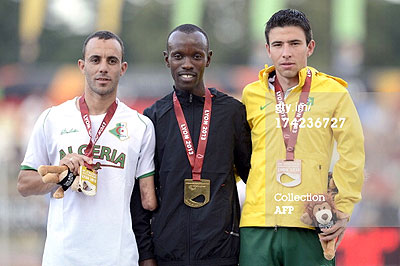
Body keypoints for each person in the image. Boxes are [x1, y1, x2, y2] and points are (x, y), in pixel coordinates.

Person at [17, 30, 157, 266]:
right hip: (63, 257)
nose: (103, 67)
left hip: (119, 258)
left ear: (122, 68)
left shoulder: (141, 126)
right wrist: (59, 173)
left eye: (111, 61)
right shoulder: (51, 118)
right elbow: (23, 184)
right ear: (82, 66)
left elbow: (148, 201)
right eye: (95, 59)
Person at [239, 9, 365, 266]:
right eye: (278, 44)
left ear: (310, 47)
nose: (286, 52)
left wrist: (341, 209)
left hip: (312, 226)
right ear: (268, 49)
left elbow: (352, 153)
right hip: (257, 225)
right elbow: (237, 155)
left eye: (294, 43)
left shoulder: (334, 92)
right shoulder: (251, 94)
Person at [133, 24, 252, 266]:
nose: (187, 64)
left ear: (208, 59)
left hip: (221, 255)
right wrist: (146, 254)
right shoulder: (152, 117)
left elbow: (254, 176)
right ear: (167, 60)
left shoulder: (232, 113)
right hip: (168, 255)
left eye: (196, 56)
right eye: (179, 56)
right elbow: (141, 192)